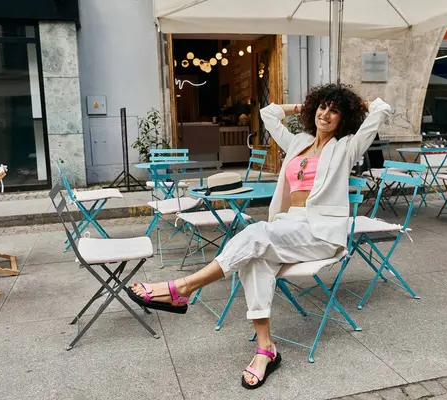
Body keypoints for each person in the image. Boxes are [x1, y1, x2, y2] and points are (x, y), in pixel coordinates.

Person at [128, 83, 391, 389]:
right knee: (254, 260)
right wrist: (303, 106)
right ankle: (266, 349)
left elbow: (381, 109)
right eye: (322, 107)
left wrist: (360, 103)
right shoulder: (298, 142)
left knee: (254, 235)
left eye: (335, 110)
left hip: (319, 233)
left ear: (344, 119)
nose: (326, 114)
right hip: (288, 224)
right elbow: (268, 113)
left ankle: (183, 287)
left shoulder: (347, 147)